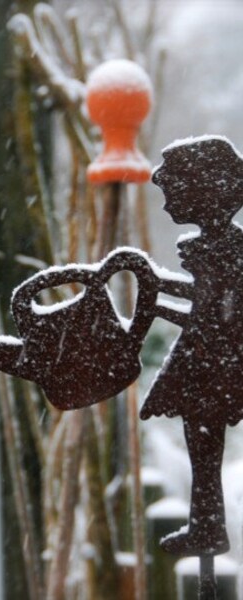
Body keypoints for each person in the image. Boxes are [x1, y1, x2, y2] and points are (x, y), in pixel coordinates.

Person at [140, 135, 243, 555]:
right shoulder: (223, 247)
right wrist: (158, 288)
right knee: (202, 443)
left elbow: (210, 314)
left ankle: (208, 525)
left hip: (217, 364)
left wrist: (156, 301)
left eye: (172, 193)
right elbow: (208, 305)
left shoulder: (222, 250)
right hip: (215, 360)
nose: (165, 204)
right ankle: (207, 525)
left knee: (203, 443)